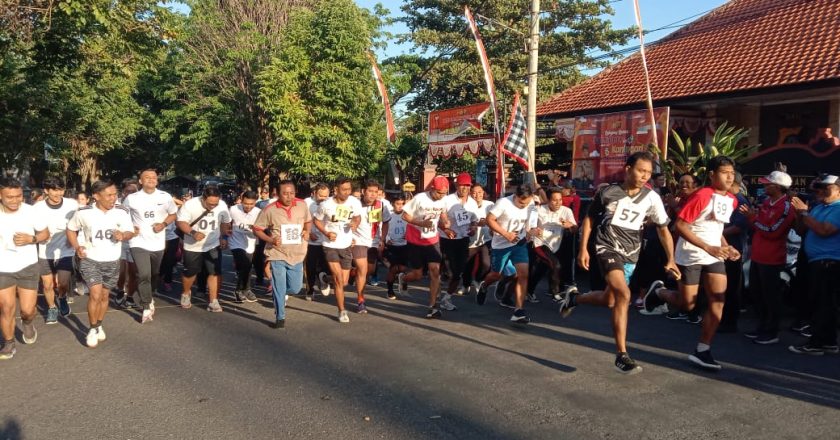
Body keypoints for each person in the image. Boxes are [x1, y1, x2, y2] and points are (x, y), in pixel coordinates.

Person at [559, 152, 678, 374]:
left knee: (611, 300)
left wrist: (671, 258)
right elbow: (590, 218)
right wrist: (583, 248)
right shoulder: (607, 192)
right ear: (628, 169)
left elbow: (663, 229)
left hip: (631, 253)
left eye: (649, 172)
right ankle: (622, 355)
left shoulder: (651, 198)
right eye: (641, 170)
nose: (645, 176)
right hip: (606, 246)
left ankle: (575, 298)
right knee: (624, 295)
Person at [643, 155, 740, 371]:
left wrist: (726, 245)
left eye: (731, 173)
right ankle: (659, 292)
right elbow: (680, 226)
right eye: (725, 172)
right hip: (691, 253)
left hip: (715, 254)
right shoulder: (703, 195)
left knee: (718, 300)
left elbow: (717, 228)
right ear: (712, 175)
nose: (729, 176)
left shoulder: (732, 200)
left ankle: (702, 349)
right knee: (687, 304)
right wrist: (708, 247)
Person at [66, 180, 135, 348]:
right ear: (96, 196)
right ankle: (92, 328)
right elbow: (70, 229)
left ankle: (99, 324)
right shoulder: (83, 212)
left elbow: (130, 232)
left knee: (104, 296)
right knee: (95, 294)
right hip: (90, 259)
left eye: (115, 194)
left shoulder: (122, 211)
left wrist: (122, 235)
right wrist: (77, 247)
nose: (113, 198)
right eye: (109, 195)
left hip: (112, 260)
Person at [739, 170, 796, 344]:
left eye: (767, 184)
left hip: (772, 258)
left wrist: (752, 218)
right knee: (757, 293)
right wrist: (754, 219)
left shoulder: (786, 207)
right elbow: (761, 226)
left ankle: (771, 332)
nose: (764, 186)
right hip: (758, 255)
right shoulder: (766, 202)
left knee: (771, 297)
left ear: (778, 187)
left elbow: (773, 232)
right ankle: (762, 326)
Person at [788, 174, 840, 355]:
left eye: (827, 187)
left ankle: (817, 343)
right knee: (822, 302)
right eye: (819, 187)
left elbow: (824, 230)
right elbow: (801, 230)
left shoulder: (838, 208)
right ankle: (828, 342)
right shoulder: (818, 208)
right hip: (814, 262)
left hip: (829, 262)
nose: (821, 191)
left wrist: (804, 213)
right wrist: (799, 215)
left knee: (823, 303)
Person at [475, 184, 539, 324]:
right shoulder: (503, 203)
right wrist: (505, 234)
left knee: (523, 274)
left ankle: (518, 311)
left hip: (519, 243)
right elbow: (489, 219)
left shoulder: (531, 203)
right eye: (521, 203)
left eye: (526, 203)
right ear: (515, 196)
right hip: (500, 245)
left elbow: (532, 225)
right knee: (496, 274)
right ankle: (485, 286)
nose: (524, 206)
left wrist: (532, 231)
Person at [0, 178, 49, 359]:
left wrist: (32, 239)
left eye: (19, 196)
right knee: (6, 307)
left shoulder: (31, 212)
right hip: (3, 268)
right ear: (0, 196)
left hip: (27, 265)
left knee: (27, 310)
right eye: (10, 197)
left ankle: (28, 323)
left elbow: (45, 233)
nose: (15, 201)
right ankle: (9, 343)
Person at [122, 169, 178, 323]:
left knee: (154, 274)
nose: (151, 179)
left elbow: (173, 214)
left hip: (158, 242)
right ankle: (146, 305)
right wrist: (129, 229)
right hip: (138, 242)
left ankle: (150, 294)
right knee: (143, 274)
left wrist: (163, 224)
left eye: (154, 177)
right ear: (140, 181)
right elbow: (122, 216)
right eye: (147, 177)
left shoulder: (165, 197)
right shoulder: (131, 198)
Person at [254, 180, 312, 329]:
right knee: (279, 286)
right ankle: (280, 317)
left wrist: (307, 231)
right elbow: (257, 228)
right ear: (278, 193)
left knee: (295, 288)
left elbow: (308, 221)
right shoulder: (269, 209)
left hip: (297, 253)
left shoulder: (302, 205)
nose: (289, 196)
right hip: (277, 253)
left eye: (292, 193)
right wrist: (270, 239)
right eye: (285, 193)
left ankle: (279, 294)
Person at [397, 176, 451, 319]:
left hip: (432, 240)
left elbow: (443, 213)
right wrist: (421, 223)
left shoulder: (444, 200)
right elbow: (405, 216)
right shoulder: (420, 198)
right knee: (418, 275)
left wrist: (446, 223)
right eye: (439, 193)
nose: (441, 196)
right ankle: (404, 278)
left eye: (444, 193)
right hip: (415, 240)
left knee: (435, 272)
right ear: (432, 189)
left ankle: (432, 307)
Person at [312, 178, 362, 323]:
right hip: (330, 245)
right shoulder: (326, 205)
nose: (347, 192)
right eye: (344, 190)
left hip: (346, 245)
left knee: (344, 282)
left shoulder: (354, 202)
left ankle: (324, 278)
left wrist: (355, 223)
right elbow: (317, 220)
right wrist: (326, 233)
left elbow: (357, 217)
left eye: (349, 189)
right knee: (339, 279)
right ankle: (341, 311)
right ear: (336, 190)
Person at [176, 185, 232, 312]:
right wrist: (193, 233)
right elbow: (181, 222)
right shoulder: (190, 204)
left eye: (215, 203)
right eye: (210, 203)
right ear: (203, 198)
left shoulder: (222, 205)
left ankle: (213, 301)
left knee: (215, 272)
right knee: (190, 273)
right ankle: (185, 293)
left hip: (212, 244)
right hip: (192, 245)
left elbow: (225, 222)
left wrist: (223, 237)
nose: (213, 206)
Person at [33, 177, 78, 323]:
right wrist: (39, 236)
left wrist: (73, 238)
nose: (58, 193)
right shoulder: (37, 208)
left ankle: (62, 297)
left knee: (62, 283)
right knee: (47, 284)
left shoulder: (72, 204)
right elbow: (32, 228)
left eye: (61, 189)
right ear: (46, 190)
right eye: (54, 190)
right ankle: (52, 307)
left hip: (66, 250)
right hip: (45, 251)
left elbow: (78, 224)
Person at [527, 187, 577, 302]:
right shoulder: (538, 210)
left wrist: (570, 226)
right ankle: (555, 293)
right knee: (556, 265)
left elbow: (575, 229)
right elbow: (529, 226)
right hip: (539, 243)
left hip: (555, 245)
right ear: (548, 200)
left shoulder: (566, 211)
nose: (558, 203)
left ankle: (529, 290)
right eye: (554, 200)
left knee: (542, 269)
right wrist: (535, 230)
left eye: (560, 200)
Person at [438, 172, 478, 309]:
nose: (465, 188)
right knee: (450, 272)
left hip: (463, 240)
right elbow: (436, 220)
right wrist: (446, 229)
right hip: (447, 240)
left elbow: (474, 221)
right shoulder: (447, 200)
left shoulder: (472, 203)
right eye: (462, 185)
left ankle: (446, 298)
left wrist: (473, 229)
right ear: (456, 185)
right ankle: (437, 286)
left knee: (458, 273)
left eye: (467, 186)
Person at [351, 180, 391, 313]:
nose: (373, 194)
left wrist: (383, 239)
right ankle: (361, 301)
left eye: (376, 192)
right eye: (370, 191)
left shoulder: (382, 205)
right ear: (363, 191)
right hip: (358, 241)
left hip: (373, 241)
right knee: (362, 270)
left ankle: (351, 274)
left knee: (370, 270)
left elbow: (385, 223)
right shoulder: (354, 204)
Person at [718, 172, 750, 333]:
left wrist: (718, 232)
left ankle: (730, 322)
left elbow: (739, 226)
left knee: (732, 288)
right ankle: (723, 319)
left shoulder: (741, 201)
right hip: (725, 249)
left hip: (735, 250)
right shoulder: (728, 199)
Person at [229, 190, 261, 303]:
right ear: (241, 201)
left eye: (251, 204)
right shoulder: (233, 209)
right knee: (245, 264)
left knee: (247, 267)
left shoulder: (259, 212)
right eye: (246, 203)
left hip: (250, 243)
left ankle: (239, 290)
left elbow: (263, 227)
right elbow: (226, 222)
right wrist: (225, 233)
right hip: (235, 242)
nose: (248, 206)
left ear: (255, 202)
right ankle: (246, 289)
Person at [114, 178, 139, 308]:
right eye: (128, 191)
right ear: (123, 192)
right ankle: (120, 290)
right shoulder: (115, 205)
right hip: (119, 242)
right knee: (122, 272)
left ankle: (129, 296)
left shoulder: (142, 203)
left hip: (136, 242)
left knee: (134, 272)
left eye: (134, 191)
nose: (130, 194)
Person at [464, 184, 493, 295]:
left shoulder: (490, 205)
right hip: (471, 239)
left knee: (486, 264)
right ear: (471, 193)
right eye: (474, 192)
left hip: (486, 239)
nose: (477, 195)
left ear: (483, 193)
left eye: (480, 192)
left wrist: (488, 223)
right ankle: (465, 285)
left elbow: (495, 219)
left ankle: (478, 280)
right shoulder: (466, 206)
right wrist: (474, 225)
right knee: (467, 263)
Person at [303, 183, 331, 300]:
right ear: (314, 193)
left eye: (326, 196)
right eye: (321, 195)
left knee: (327, 266)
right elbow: (300, 219)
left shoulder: (331, 203)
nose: (323, 198)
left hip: (327, 241)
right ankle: (310, 290)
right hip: (311, 241)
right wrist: (308, 232)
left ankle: (324, 280)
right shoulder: (306, 203)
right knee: (310, 267)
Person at [384, 194, 409, 300]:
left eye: (403, 204)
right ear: (393, 204)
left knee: (404, 268)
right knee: (393, 269)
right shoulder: (388, 215)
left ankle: (402, 279)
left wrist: (408, 235)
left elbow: (413, 227)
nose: (400, 206)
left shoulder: (407, 215)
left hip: (405, 245)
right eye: (398, 204)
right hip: (392, 245)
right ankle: (390, 290)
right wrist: (387, 238)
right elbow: (382, 227)